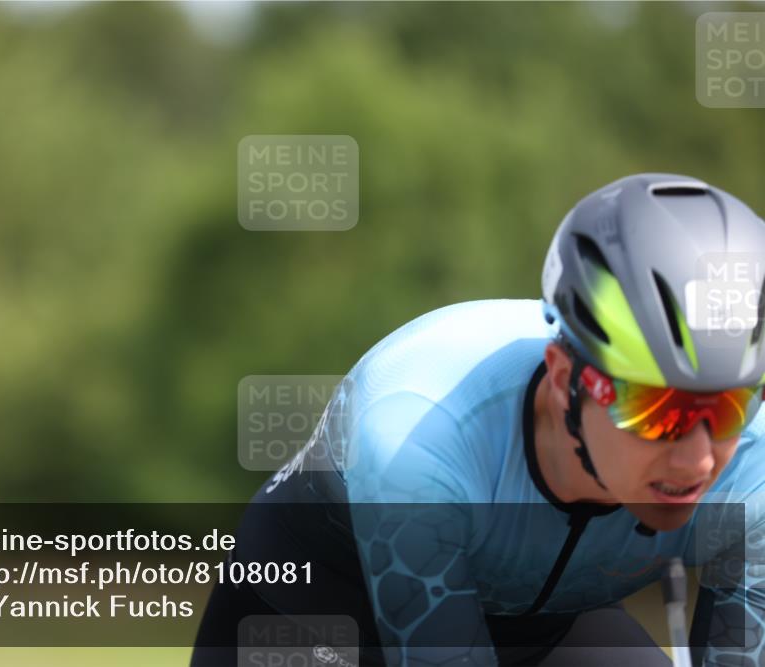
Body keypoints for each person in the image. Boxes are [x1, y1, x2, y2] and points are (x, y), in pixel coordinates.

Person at [191, 173, 765, 666]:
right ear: (564, 376)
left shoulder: (754, 469)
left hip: (542, 622)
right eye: (655, 409)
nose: (698, 458)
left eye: (727, 408)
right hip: (320, 604)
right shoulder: (415, 432)